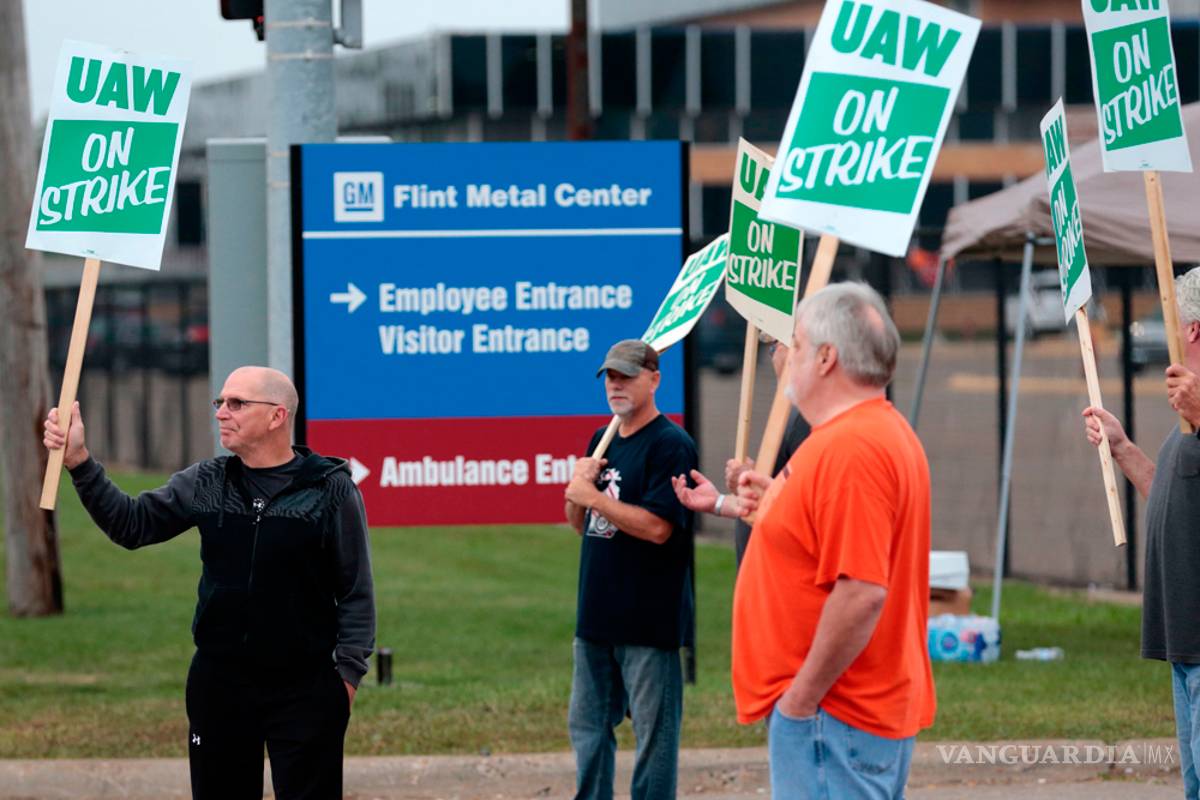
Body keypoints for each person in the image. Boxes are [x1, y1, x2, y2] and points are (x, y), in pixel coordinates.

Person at [43, 366, 375, 800]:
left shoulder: (332, 491)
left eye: (237, 403)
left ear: (277, 416)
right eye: (219, 402)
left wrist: (346, 678)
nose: (221, 412)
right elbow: (131, 525)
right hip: (220, 685)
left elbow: (355, 592)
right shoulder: (207, 482)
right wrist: (79, 462)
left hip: (306, 689)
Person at [726, 283, 935, 799]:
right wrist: (776, 498)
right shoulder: (861, 434)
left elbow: (862, 591)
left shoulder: (852, 449)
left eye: (794, 344)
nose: (785, 356)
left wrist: (800, 699)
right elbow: (829, 536)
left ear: (825, 358)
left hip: (833, 714)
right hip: (838, 714)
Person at [1082, 266, 1200, 799]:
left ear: (1192, 329)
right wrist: (1123, 447)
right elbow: (1173, 501)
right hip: (1184, 643)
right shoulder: (1185, 422)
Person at [563, 339, 698, 800]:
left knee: (654, 740)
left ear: (654, 379)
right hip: (596, 617)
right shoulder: (599, 442)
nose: (616, 386)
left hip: (648, 620)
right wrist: (576, 491)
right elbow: (581, 525)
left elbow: (660, 528)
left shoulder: (671, 446)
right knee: (588, 730)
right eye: (611, 378)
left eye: (626, 376)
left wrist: (595, 497)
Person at [671, 334, 810, 570]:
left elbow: (805, 512)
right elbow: (778, 496)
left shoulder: (804, 418)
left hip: (785, 585)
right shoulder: (792, 415)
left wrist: (752, 481)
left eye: (776, 346)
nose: (773, 355)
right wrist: (721, 502)